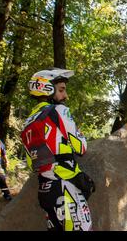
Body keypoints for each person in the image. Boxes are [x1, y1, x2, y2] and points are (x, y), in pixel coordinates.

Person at [21, 68, 95, 231]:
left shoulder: (27, 123)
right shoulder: (59, 111)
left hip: (45, 189)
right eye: (61, 90)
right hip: (65, 187)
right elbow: (81, 147)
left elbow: (30, 162)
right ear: (47, 89)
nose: (65, 96)